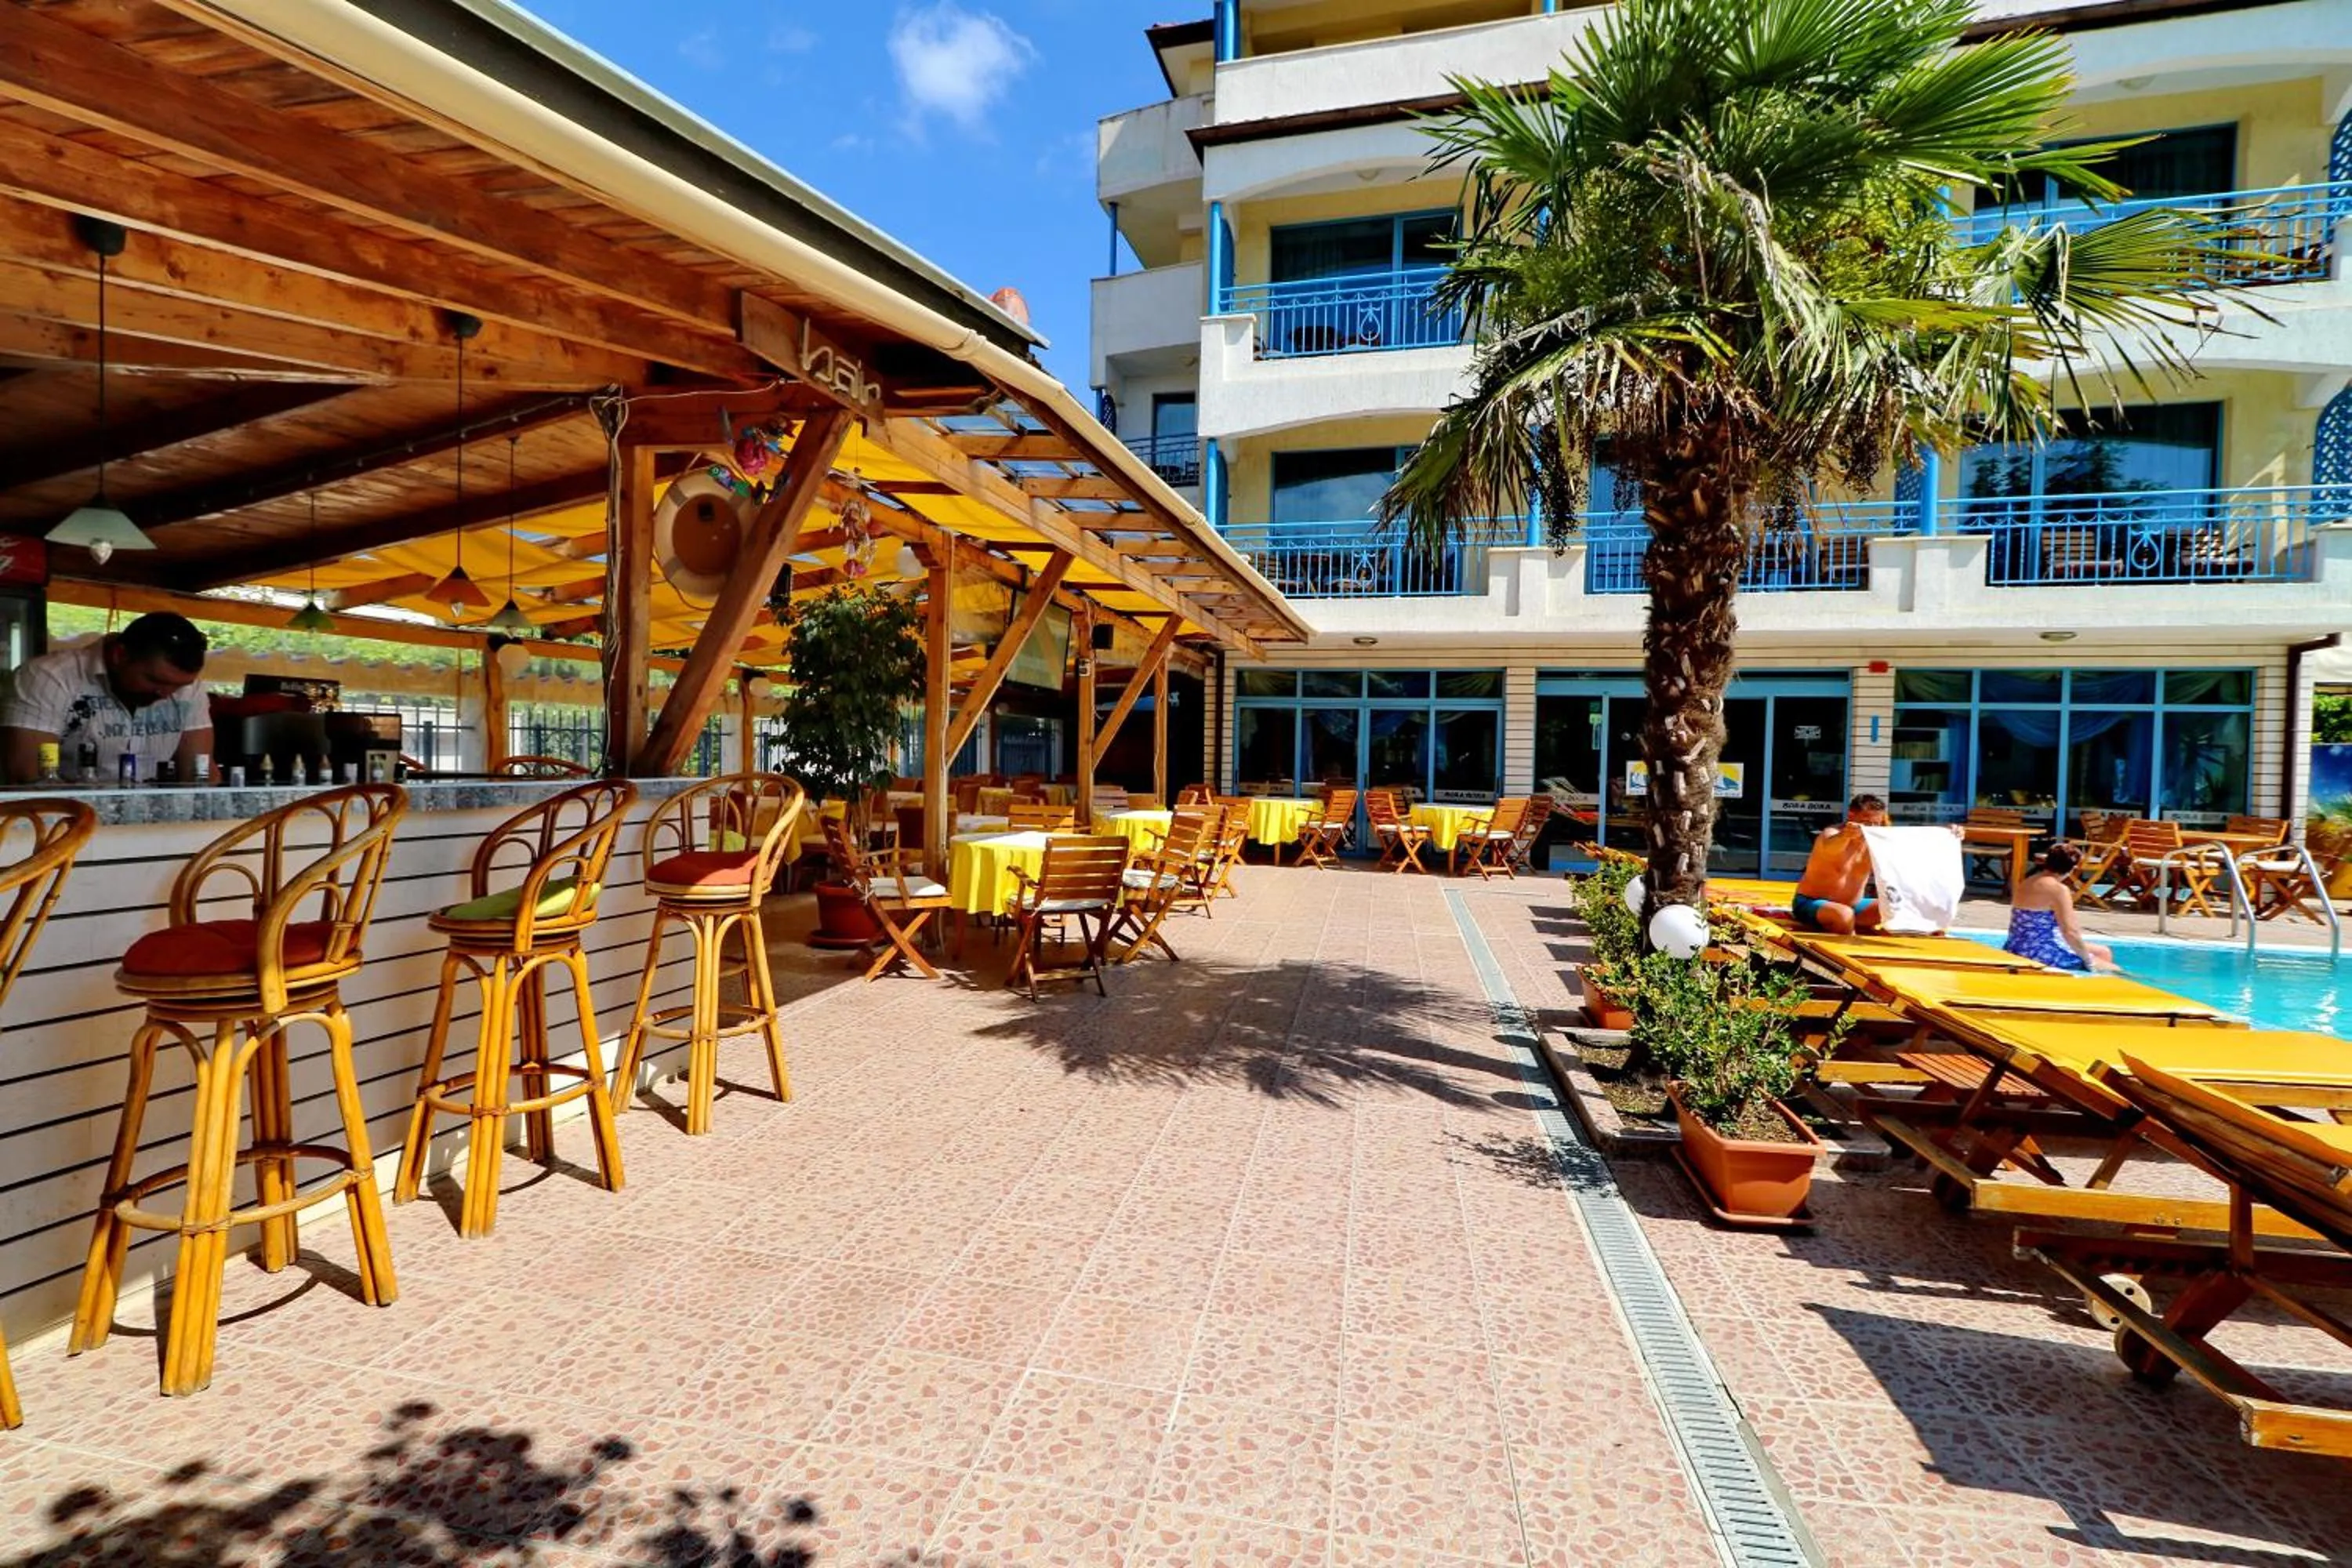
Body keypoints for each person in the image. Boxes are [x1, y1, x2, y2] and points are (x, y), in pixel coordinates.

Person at [0, 612, 213, 785]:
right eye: (154, 680)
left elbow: (199, 774)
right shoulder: (50, 677)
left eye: (179, 686)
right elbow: (29, 777)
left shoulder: (189, 689)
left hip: (153, 825)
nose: (166, 694)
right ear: (120, 656)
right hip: (67, 825)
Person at [2003, 843, 2115, 972]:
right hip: (2039, 952)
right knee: (2112, 970)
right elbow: (2070, 932)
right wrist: (2088, 962)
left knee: (2103, 952)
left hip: (2016, 946)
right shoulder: (2058, 890)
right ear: (2071, 869)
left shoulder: (2028, 881)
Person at [1791, 793, 1888, 933]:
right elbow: (1831, 847)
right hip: (1811, 902)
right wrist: (1846, 835)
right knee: (1844, 915)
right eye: (1867, 823)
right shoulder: (1831, 834)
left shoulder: (1874, 841)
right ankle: (1853, 949)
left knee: (1895, 908)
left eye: (1876, 824)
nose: (1871, 828)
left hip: (1854, 906)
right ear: (1851, 816)